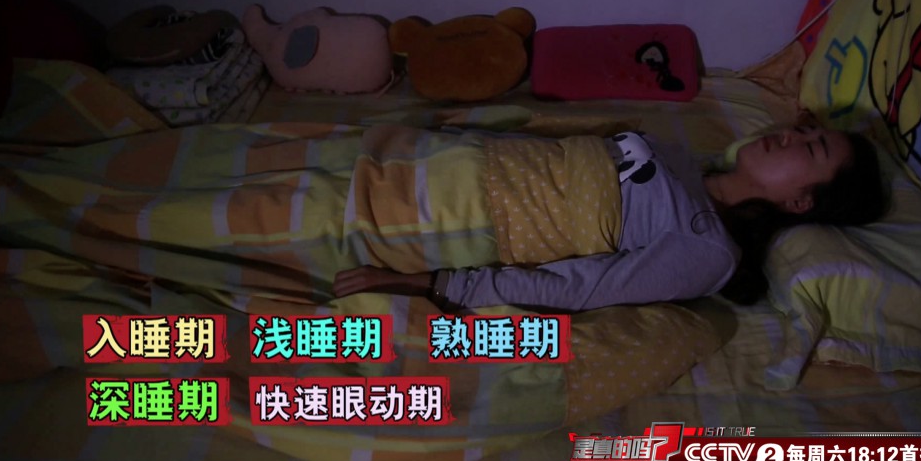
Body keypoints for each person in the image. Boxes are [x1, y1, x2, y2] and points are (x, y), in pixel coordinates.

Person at [332, 115, 889, 311]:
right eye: (803, 129)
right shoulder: (684, 158)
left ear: (800, 202)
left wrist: (435, 284)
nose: (790, 135)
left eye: (810, 148)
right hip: (450, 159)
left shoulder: (708, 249)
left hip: (458, 213)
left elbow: (578, 287)